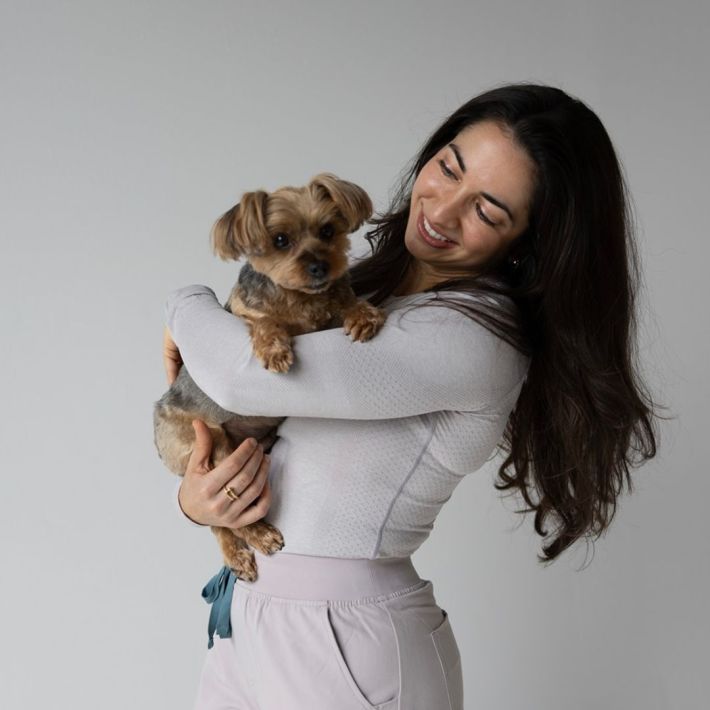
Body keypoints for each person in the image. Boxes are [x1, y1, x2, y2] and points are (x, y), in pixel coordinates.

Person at [161, 83, 660, 710]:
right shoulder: (362, 295)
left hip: (344, 641)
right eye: (449, 168)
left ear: (529, 242)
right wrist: (197, 503)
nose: (443, 211)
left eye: (487, 211)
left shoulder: (472, 337)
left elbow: (239, 377)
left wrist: (184, 305)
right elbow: (243, 413)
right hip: (249, 615)